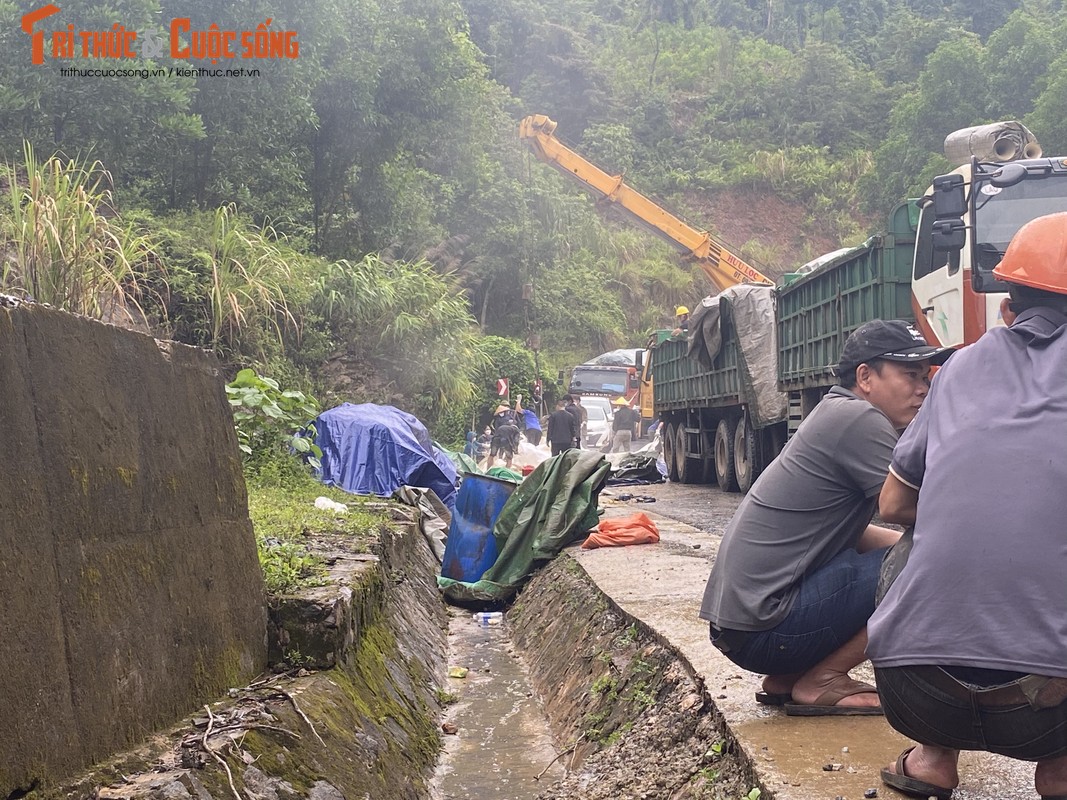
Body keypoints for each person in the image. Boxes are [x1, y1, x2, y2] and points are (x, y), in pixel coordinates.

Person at [868, 213, 1067, 800]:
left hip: (917, 694)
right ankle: (1059, 771)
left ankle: (932, 761)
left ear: (1007, 306)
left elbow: (894, 502)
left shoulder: (957, 368)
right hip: (1048, 707)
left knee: (911, 548)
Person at [698, 319, 951, 715]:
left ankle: (791, 677)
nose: (923, 388)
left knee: (915, 551)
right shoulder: (860, 420)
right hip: (770, 629)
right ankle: (824, 678)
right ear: (865, 377)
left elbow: (851, 532)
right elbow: (924, 511)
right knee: (934, 565)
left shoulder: (834, 413)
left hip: (744, 630)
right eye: (909, 375)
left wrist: (911, 544)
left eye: (926, 377)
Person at [489, 401, 520, 469]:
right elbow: (516, 440)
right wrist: (515, 449)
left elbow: (496, 428)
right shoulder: (515, 429)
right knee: (509, 457)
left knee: (492, 455)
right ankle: (507, 471)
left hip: (497, 436)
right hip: (505, 438)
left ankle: (487, 471)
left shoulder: (512, 414)